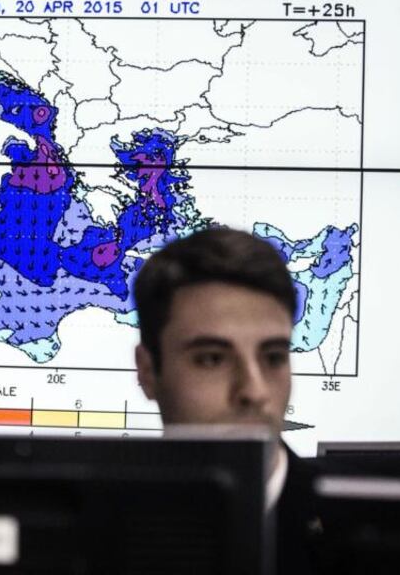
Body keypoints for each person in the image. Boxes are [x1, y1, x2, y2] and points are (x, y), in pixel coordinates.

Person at [132, 227, 321, 575]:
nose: (254, 392)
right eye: (212, 359)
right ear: (147, 371)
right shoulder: (78, 536)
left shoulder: (372, 535)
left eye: (274, 357)